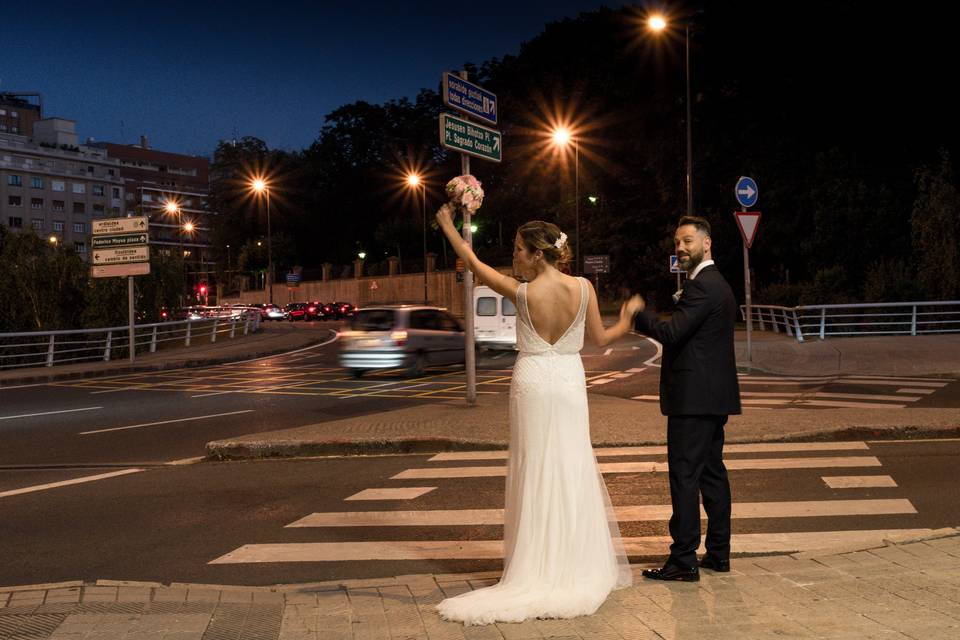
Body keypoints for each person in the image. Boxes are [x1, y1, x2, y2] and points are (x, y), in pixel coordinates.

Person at [434, 206, 641, 625]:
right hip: (567, 383)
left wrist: (446, 225)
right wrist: (627, 318)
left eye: (517, 250)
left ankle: (536, 565)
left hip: (531, 382)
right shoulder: (584, 288)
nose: (513, 257)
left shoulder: (522, 293)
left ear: (537, 254)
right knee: (571, 465)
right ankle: (574, 562)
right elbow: (600, 340)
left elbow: (472, 263)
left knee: (533, 471)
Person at [632, 215, 741, 582]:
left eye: (688, 241)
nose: (680, 247)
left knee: (685, 476)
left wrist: (639, 315)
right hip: (712, 397)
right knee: (711, 474)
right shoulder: (717, 284)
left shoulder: (703, 286)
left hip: (693, 400)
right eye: (677, 242)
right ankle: (719, 553)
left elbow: (673, 332)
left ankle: (683, 560)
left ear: (707, 243)